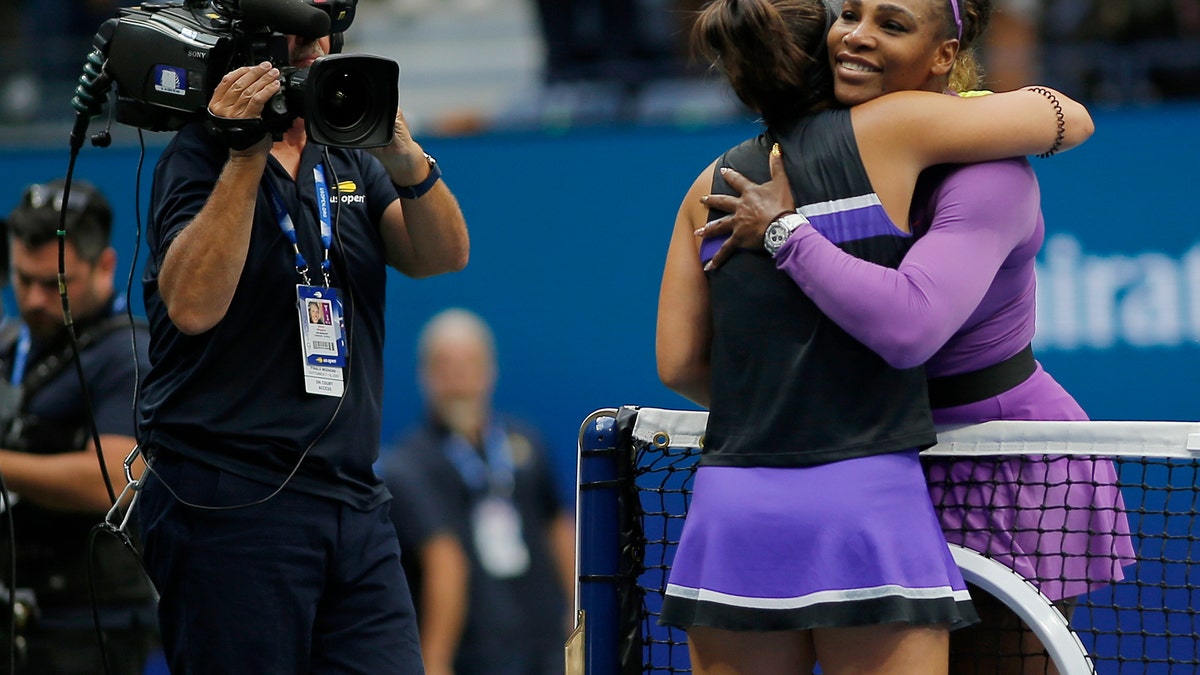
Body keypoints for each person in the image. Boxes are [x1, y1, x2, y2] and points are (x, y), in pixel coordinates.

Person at [655, 0, 1094, 672]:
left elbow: (909, 326)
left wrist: (785, 237)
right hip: (886, 459)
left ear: (944, 55)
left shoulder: (981, 170)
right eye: (849, 14)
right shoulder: (871, 136)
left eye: (890, 24)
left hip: (999, 461)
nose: (858, 35)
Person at [133, 11, 471, 673]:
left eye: (328, 38)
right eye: (303, 39)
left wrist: (407, 159)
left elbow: (443, 254)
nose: (322, 52)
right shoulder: (198, 155)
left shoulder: (344, 154)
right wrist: (244, 153)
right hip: (232, 505)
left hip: (352, 500)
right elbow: (193, 306)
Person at [0, 178, 157, 674]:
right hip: (20, 615)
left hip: (91, 625)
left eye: (55, 284)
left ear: (105, 267)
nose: (36, 300)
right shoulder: (12, 345)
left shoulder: (127, 353)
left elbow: (115, 479)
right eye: (23, 280)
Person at [382, 308, 574, 675]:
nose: (457, 379)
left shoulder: (526, 441)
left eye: (469, 364)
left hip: (544, 638)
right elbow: (444, 560)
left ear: (490, 370)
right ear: (425, 376)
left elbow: (558, 525)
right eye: (444, 367)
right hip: (475, 650)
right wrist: (437, 660)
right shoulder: (407, 464)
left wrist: (577, 611)